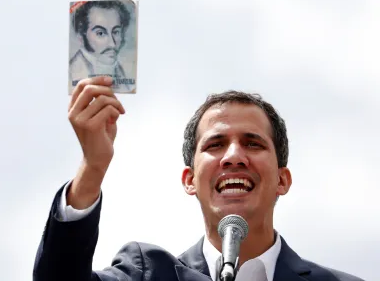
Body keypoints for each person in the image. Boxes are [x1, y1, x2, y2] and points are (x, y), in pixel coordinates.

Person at [33, 76, 364, 281]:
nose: (234, 156)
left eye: (253, 143)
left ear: (282, 179)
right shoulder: (148, 274)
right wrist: (93, 166)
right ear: (190, 180)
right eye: (216, 145)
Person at [69, 1, 130, 86]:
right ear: (81, 36)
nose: (112, 44)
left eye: (116, 32)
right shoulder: (70, 74)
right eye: (100, 33)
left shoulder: (121, 71)